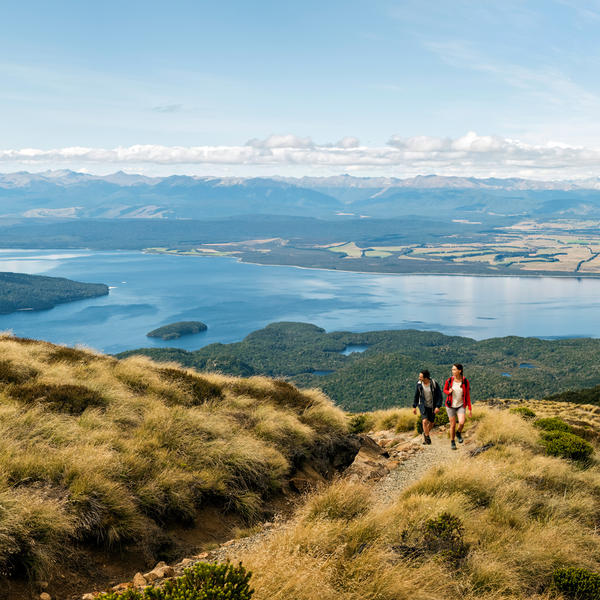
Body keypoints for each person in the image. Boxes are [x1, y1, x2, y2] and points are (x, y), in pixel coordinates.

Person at [443, 363, 472, 450]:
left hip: (460, 405)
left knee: (462, 422)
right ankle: (452, 442)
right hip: (450, 405)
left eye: (454, 369)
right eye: (452, 369)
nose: (453, 371)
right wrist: (449, 392)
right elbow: (444, 390)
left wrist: (470, 408)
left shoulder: (465, 381)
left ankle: (458, 433)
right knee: (452, 425)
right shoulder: (449, 380)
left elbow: (467, 395)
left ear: (460, 371)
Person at [412, 369, 442, 445]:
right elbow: (416, 396)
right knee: (424, 421)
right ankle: (428, 439)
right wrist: (414, 406)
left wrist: (438, 406)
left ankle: (425, 434)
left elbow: (439, 396)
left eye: (420, 377)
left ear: (425, 378)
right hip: (423, 405)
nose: (419, 378)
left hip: (432, 406)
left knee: (431, 423)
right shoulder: (419, 384)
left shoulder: (434, 383)